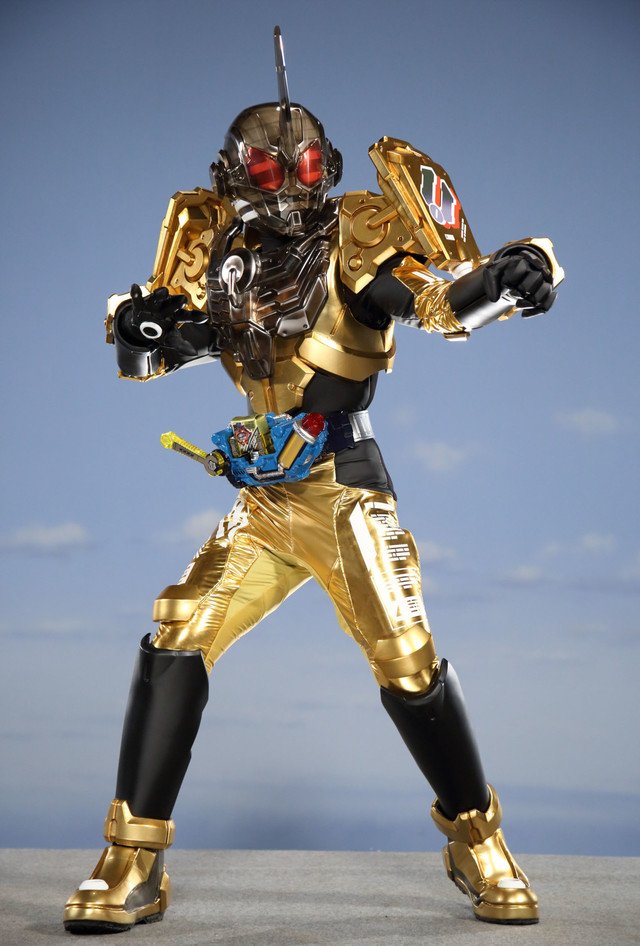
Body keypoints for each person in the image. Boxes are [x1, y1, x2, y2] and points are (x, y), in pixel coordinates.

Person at [64, 27, 562, 934]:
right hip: (263, 500)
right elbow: (160, 348)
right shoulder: (222, 256)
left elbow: (437, 304)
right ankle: (132, 859)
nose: (288, 183)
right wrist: (141, 327)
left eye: (302, 167)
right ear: (234, 175)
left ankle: (478, 839)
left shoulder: (356, 241)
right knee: (179, 633)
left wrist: (512, 276)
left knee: (407, 661)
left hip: (342, 491)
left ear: (327, 167)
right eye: (266, 169)